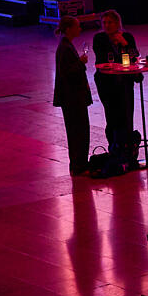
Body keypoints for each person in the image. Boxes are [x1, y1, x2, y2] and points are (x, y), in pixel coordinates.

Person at [90, 10, 140, 165]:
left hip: (125, 82)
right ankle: (114, 147)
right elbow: (101, 59)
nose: (107, 26)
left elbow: (135, 56)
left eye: (110, 22)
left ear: (117, 23)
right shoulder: (99, 38)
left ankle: (128, 149)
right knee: (111, 114)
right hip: (107, 82)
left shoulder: (127, 37)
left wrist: (124, 43)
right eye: (104, 23)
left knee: (126, 113)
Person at [52, 16, 92, 176]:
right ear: (69, 29)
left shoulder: (65, 46)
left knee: (76, 130)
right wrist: (81, 62)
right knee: (79, 131)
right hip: (72, 97)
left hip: (71, 97)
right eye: (77, 26)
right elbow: (67, 72)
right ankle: (79, 164)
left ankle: (78, 163)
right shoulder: (65, 48)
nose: (80, 29)